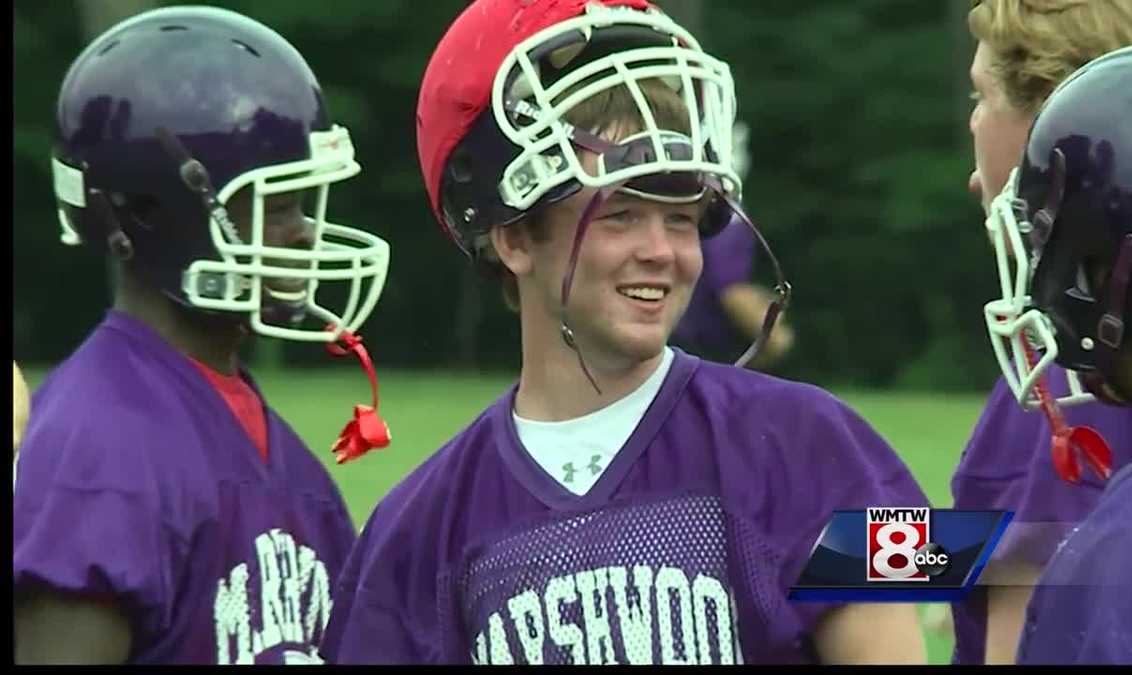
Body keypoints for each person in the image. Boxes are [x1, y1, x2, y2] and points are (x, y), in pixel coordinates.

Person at [321, 0, 928, 665]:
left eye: (682, 217)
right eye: (622, 214)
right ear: (515, 235)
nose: (662, 250)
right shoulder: (415, 530)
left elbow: (963, 583)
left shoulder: (812, 443)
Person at [13, 6, 392, 664]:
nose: (304, 230)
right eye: (278, 205)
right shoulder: (97, 451)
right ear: (159, 212)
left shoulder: (285, 458)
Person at [951, 0, 1132, 664]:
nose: (972, 120)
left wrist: (809, 539)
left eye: (982, 94)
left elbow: (1027, 605)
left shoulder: (1075, 371)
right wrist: (834, 545)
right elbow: (997, 540)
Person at [671, 123, 794, 369]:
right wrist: (773, 338)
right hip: (695, 349)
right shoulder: (725, 213)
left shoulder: (681, 199)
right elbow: (730, 291)